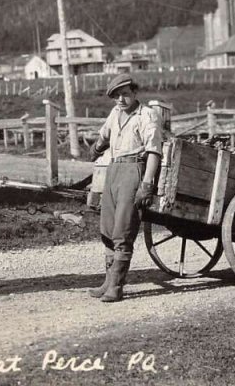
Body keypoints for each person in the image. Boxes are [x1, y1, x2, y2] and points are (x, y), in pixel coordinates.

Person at [87, 73, 163, 302]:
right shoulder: (115, 113)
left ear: (135, 93)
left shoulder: (147, 115)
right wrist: (97, 146)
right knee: (107, 229)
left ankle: (117, 287)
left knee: (122, 230)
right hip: (113, 170)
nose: (121, 100)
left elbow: (153, 152)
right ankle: (108, 281)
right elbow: (104, 136)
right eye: (116, 96)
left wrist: (146, 184)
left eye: (125, 94)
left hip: (133, 171)